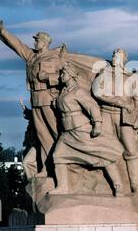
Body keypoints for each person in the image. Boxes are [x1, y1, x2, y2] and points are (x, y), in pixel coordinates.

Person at [0, 17, 61, 179]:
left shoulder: (54, 58)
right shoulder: (31, 56)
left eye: (37, 40)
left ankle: (64, 167)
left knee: (56, 134)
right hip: (36, 100)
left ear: (45, 42)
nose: (35, 43)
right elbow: (17, 46)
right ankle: (46, 169)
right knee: (43, 136)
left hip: (49, 99)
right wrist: (3, 31)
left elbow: (63, 77)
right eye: (35, 41)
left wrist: (48, 77)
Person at [49, 63, 125, 196]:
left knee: (103, 156)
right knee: (58, 156)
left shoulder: (78, 91)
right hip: (68, 132)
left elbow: (93, 107)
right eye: (61, 73)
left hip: (81, 130)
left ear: (71, 75)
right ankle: (63, 187)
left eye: (63, 73)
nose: (61, 76)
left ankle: (118, 186)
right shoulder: (64, 92)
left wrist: (97, 124)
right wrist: (56, 104)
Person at [91, 48, 138, 193]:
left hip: (125, 117)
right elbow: (97, 92)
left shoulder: (132, 77)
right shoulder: (104, 74)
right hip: (106, 115)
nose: (115, 58)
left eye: (118, 56)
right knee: (105, 149)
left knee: (131, 150)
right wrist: (119, 102)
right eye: (114, 55)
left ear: (124, 60)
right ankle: (115, 185)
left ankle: (135, 184)